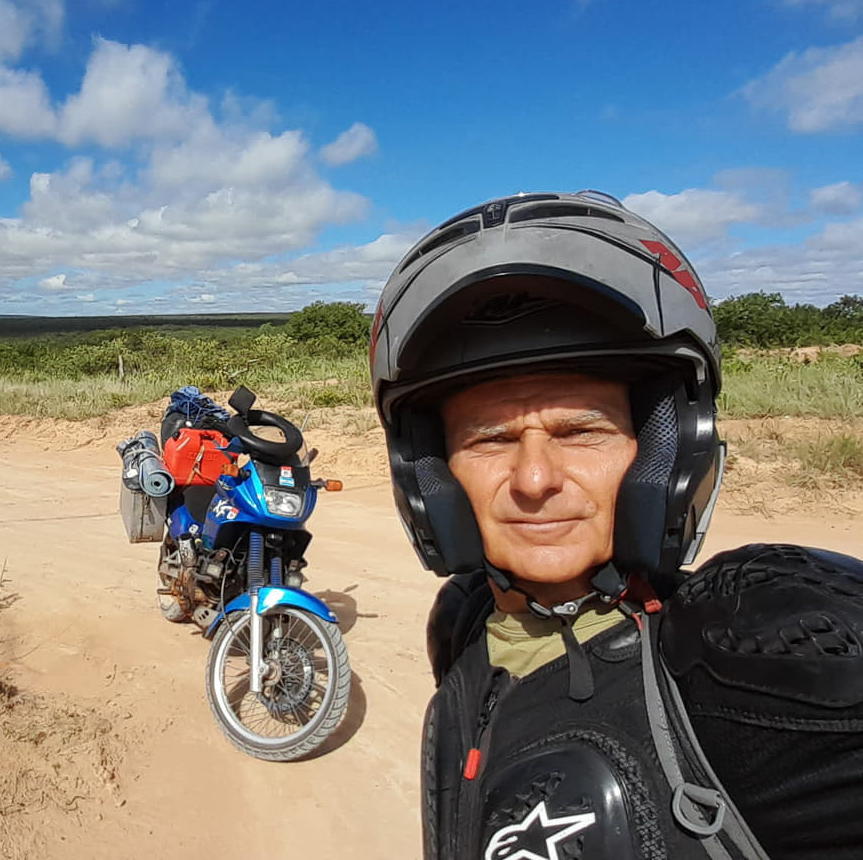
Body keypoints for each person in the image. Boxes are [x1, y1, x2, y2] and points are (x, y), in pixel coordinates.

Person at [369, 191, 863, 860]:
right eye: (489, 440)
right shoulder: (463, 630)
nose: (535, 479)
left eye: (580, 431)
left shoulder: (758, 651)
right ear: (431, 477)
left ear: (664, 451)